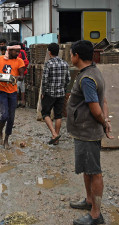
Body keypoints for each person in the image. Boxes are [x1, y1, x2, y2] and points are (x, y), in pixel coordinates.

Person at [67, 40, 113, 225]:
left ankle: (96, 215)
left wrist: (104, 122)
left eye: (71, 54)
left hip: (88, 132)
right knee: (87, 168)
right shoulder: (92, 72)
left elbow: (95, 107)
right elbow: (103, 100)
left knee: (94, 171)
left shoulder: (87, 78)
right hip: (83, 131)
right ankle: (89, 201)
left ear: (77, 56)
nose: (70, 57)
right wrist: (106, 121)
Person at [41, 43, 70, 145]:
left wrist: (43, 92)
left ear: (49, 52)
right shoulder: (65, 64)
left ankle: (54, 133)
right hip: (61, 93)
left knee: (45, 113)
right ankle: (56, 138)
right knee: (58, 115)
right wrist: (63, 89)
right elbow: (68, 79)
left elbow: (45, 80)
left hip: (50, 93)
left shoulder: (48, 64)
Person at [17, 43, 29, 107]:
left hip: (19, 73)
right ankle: (22, 102)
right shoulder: (22, 52)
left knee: (18, 87)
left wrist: (21, 69)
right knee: (21, 87)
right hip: (21, 72)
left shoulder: (21, 52)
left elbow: (26, 62)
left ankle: (19, 102)